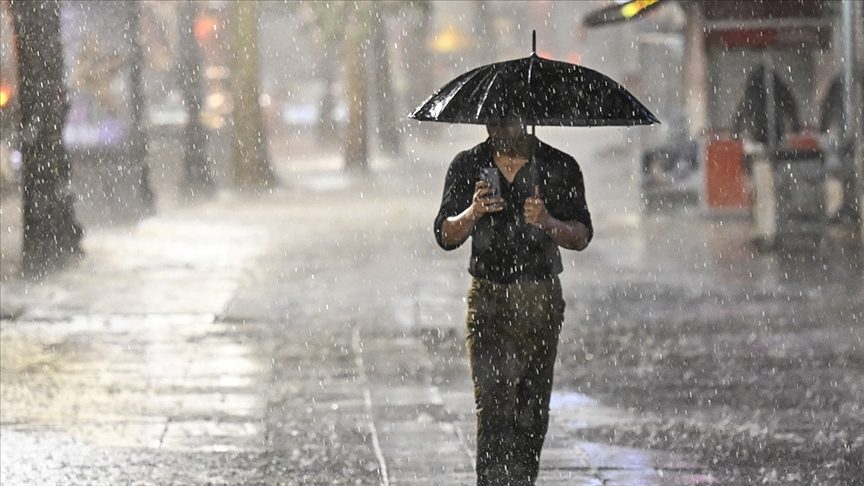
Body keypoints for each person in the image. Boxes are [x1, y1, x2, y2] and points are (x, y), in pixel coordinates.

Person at [433, 116, 593, 485]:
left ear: (527, 119)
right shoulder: (468, 165)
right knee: (492, 405)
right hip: (487, 296)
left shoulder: (559, 166)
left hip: (539, 296)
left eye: (506, 122)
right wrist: (472, 212)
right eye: (491, 123)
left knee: (532, 406)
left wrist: (547, 221)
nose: (498, 132)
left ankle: (522, 480)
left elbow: (581, 235)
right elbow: (445, 234)